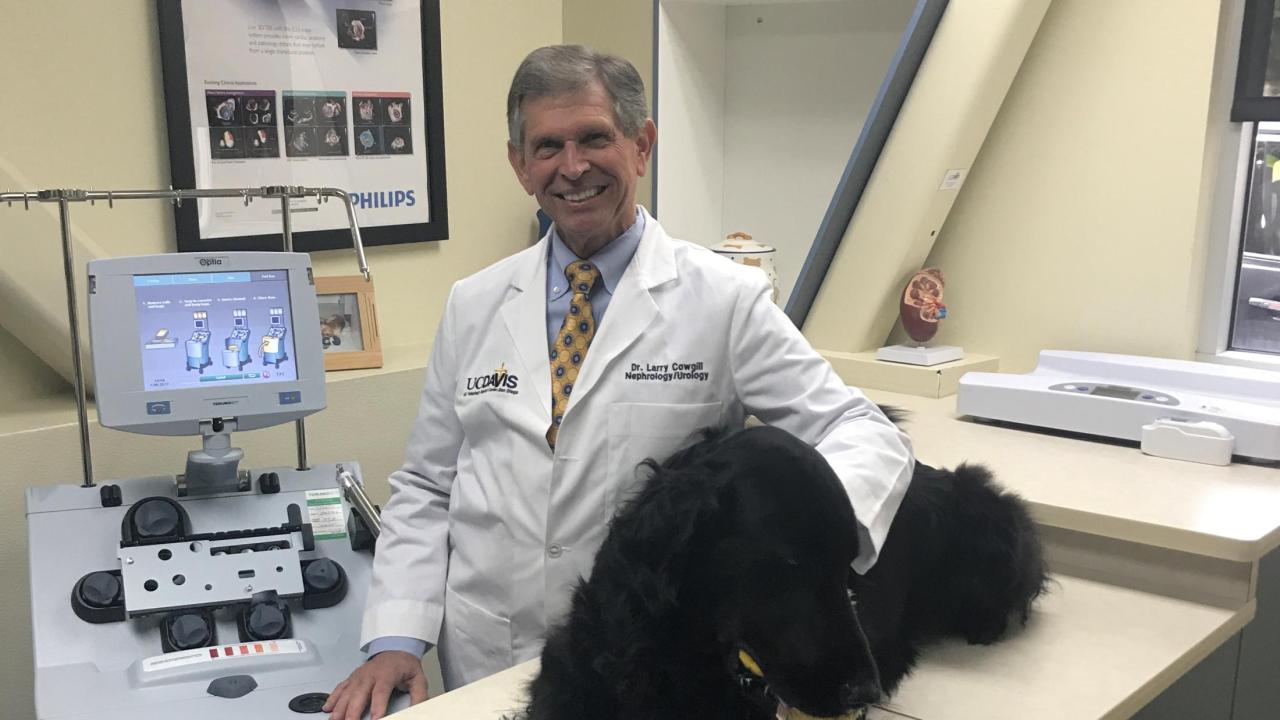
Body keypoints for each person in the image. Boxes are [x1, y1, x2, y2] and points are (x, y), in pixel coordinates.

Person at [324, 44, 914, 720]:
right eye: (547, 146)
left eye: (594, 138)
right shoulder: (473, 303)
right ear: (520, 166)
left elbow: (861, 429)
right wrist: (397, 636)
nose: (571, 167)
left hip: (640, 677)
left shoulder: (727, 301)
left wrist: (814, 542)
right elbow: (429, 485)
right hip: (485, 660)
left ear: (642, 145)